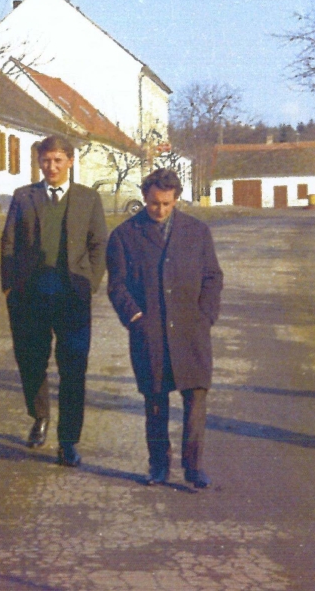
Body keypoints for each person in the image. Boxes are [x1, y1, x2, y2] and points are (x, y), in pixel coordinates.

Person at [106, 168, 223, 488]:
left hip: (191, 331)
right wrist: (135, 319)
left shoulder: (197, 232)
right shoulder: (124, 235)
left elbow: (213, 276)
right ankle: (158, 465)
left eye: (167, 204)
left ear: (176, 199)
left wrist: (206, 315)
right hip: (150, 332)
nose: (160, 210)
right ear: (144, 197)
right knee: (155, 400)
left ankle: (193, 467)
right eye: (155, 204)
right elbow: (117, 286)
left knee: (196, 399)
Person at [1, 135, 107, 467]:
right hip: (30, 294)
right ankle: (40, 416)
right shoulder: (23, 197)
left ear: (70, 162)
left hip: (71, 295)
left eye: (58, 160)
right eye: (46, 160)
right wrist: (9, 286)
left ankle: (68, 440)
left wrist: (89, 283)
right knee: (32, 361)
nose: (52, 166)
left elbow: (99, 244)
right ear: (39, 162)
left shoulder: (88, 199)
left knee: (73, 367)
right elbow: (8, 242)